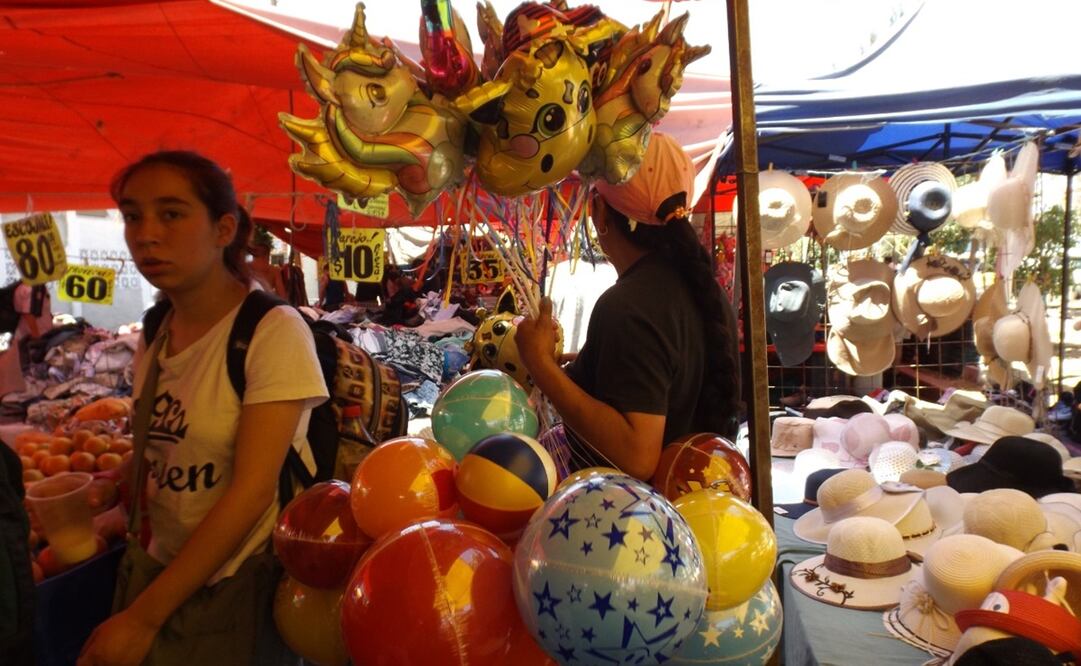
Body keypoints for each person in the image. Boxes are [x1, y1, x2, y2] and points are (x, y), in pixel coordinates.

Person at [77, 150, 327, 665]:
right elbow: (170, 449)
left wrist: (144, 617)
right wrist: (111, 485)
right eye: (132, 215)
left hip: (236, 591)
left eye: (171, 213)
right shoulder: (156, 330)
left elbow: (252, 492)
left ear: (223, 229)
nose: (146, 233)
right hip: (159, 573)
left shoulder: (270, 332)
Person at [516, 134, 741, 481]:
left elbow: (637, 457)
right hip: (692, 511)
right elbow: (669, 383)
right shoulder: (701, 289)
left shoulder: (628, 305)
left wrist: (541, 365)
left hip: (637, 524)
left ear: (599, 212)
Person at [0, 282, 52, 397]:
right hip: (28, 337)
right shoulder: (30, 288)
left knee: (25, 370)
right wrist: (36, 336)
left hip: (32, 335)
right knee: (24, 370)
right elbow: (28, 314)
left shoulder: (37, 286)